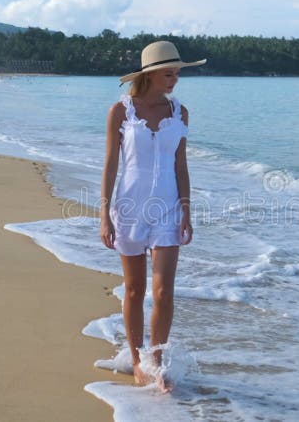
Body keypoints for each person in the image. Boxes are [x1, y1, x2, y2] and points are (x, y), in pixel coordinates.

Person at [100, 41, 204, 392]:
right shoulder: (121, 112)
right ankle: (135, 360)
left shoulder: (180, 113)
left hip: (168, 210)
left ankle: (155, 363)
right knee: (134, 290)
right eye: (169, 73)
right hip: (128, 209)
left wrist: (186, 210)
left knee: (163, 292)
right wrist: (104, 214)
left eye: (177, 73)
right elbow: (111, 165)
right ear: (150, 74)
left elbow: (181, 165)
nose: (175, 79)